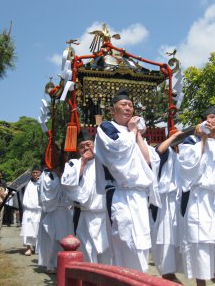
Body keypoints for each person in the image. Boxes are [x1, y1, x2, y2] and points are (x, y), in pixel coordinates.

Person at [94, 89, 160, 272]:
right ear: (112, 110)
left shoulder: (134, 133)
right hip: (119, 194)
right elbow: (117, 152)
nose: (128, 108)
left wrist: (137, 134)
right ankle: (122, 278)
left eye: (130, 105)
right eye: (123, 104)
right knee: (124, 239)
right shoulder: (106, 128)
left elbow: (148, 160)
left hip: (138, 196)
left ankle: (139, 277)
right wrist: (131, 132)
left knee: (141, 241)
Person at [177, 106, 215, 286]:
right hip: (199, 199)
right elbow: (188, 165)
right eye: (207, 118)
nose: (211, 121)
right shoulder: (191, 141)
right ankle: (201, 282)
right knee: (200, 244)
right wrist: (203, 138)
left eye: (214, 118)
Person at [61, 129, 111, 264]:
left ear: (95, 144)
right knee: (87, 250)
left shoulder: (104, 161)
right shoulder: (73, 164)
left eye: (88, 144)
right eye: (81, 147)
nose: (85, 148)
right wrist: (83, 162)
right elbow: (67, 183)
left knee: (107, 251)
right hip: (85, 215)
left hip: (104, 216)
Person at [149, 129, 184, 283]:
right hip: (163, 203)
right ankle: (167, 274)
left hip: (179, 203)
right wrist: (173, 139)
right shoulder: (165, 152)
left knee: (178, 238)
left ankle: (173, 273)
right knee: (164, 238)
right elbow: (157, 152)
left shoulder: (186, 154)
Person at [37, 154, 74, 274]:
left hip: (65, 212)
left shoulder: (59, 175)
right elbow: (48, 195)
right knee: (54, 239)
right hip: (55, 211)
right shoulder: (48, 176)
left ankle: (63, 263)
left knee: (65, 238)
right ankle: (52, 264)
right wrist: (58, 178)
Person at [20, 165, 42, 256]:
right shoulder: (27, 183)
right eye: (34, 172)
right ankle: (28, 247)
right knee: (28, 229)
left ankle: (37, 247)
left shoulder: (42, 183)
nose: (35, 174)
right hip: (28, 210)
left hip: (39, 210)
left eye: (37, 172)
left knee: (37, 229)